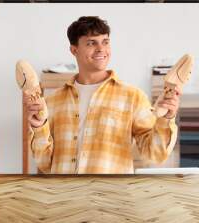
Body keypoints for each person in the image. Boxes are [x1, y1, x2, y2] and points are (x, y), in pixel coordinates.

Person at [27, 16, 180, 174]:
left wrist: (165, 119)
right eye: (91, 43)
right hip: (64, 196)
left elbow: (154, 154)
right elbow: (44, 164)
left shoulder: (133, 97)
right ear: (74, 50)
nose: (101, 49)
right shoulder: (53, 101)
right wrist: (38, 127)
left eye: (105, 42)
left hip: (110, 196)